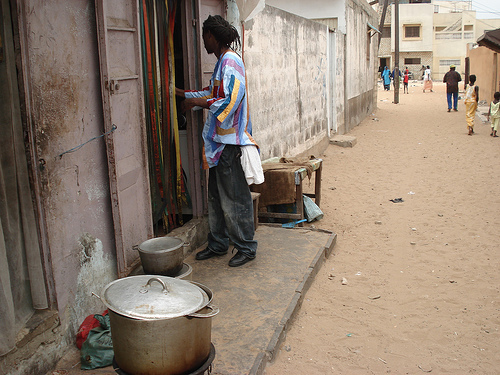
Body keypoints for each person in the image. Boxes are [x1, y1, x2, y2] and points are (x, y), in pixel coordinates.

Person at [176, 15, 258, 267]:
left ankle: (245, 247)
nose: (203, 42)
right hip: (218, 144)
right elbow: (213, 92)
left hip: (229, 143)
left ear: (211, 36)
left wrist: (195, 102)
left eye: (204, 37)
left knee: (235, 198)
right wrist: (181, 93)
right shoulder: (223, 62)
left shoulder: (231, 62)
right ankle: (219, 243)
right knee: (216, 197)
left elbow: (230, 101)